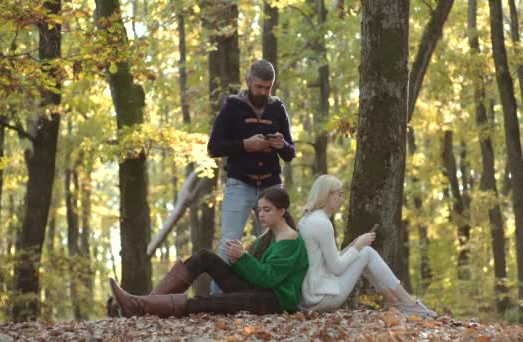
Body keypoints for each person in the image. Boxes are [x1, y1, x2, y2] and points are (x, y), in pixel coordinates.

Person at [108, 188, 308, 318]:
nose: (261, 215)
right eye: (259, 210)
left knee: (209, 302)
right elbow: (251, 273)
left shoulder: (290, 241)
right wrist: (235, 258)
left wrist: (243, 257)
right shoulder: (268, 236)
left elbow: (268, 279)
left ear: (282, 211)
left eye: (267, 210)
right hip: (255, 289)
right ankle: (142, 304)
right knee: (204, 256)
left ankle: (139, 306)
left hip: (274, 301)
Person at [207, 59, 296, 294]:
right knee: (229, 243)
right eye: (259, 87)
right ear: (248, 82)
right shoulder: (233, 107)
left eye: (268, 88)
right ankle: (216, 298)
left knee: (271, 243)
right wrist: (245, 145)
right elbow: (214, 147)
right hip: (240, 184)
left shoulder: (278, 109)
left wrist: (281, 144)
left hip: (271, 185)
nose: (264, 92)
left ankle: (266, 299)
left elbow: (290, 153)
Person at [298, 175, 437, 317]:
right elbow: (336, 268)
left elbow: (328, 262)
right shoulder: (323, 223)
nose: (342, 199)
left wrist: (354, 244)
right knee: (367, 252)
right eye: (339, 195)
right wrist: (358, 246)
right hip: (322, 297)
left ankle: (392, 300)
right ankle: (408, 303)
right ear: (328, 195)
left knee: (363, 253)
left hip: (310, 294)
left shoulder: (306, 219)